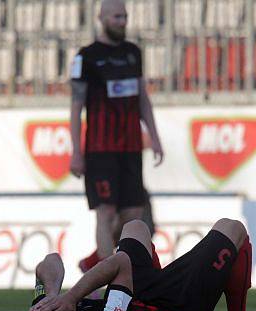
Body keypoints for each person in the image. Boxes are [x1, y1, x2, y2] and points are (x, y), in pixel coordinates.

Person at [18, 218, 256, 311]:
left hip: (140, 301)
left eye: (43, 310)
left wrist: (49, 295)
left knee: (135, 226)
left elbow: (48, 263)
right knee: (232, 228)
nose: (49, 308)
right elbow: (120, 263)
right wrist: (71, 296)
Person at [70, 0, 164, 274]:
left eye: (125, 16)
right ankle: (105, 279)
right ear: (101, 17)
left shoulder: (133, 53)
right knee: (106, 213)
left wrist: (154, 137)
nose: (122, 21)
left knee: (132, 216)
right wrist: (76, 151)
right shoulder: (86, 57)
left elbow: (142, 97)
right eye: (116, 17)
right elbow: (76, 106)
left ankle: (95, 262)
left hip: (131, 148)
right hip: (100, 150)